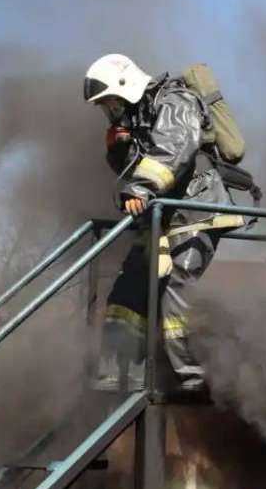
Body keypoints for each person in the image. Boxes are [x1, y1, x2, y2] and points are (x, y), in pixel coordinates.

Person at [83, 53, 245, 391]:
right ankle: (119, 369)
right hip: (164, 216)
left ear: (126, 88)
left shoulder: (175, 101)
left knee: (175, 284)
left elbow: (173, 150)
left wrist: (140, 188)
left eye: (108, 102)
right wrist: (119, 149)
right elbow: (132, 172)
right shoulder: (136, 118)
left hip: (199, 211)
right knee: (130, 287)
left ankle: (189, 375)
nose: (107, 110)